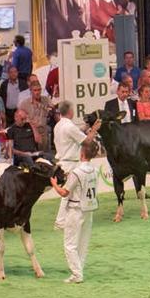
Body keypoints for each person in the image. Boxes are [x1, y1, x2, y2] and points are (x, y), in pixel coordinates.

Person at [50, 141, 100, 284]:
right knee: (83, 243)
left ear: (82, 153)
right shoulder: (95, 170)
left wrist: (54, 184)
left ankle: (77, 274)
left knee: (70, 244)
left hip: (76, 210)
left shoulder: (77, 172)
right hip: (88, 209)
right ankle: (79, 270)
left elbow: (64, 192)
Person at [53, 101, 101, 229]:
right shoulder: (69, 126)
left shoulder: (58, 125)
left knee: (70, 193)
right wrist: (94, 130)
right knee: (68, 194)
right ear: (70, 111)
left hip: (63, 161)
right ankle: (60, 221)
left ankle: (63, 220)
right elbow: (87, 142)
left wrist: (87, 128)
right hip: (70, 163)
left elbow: (76, 134)